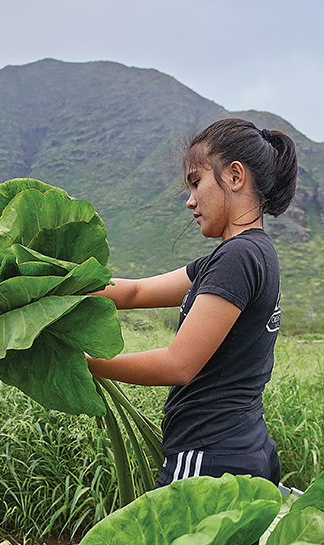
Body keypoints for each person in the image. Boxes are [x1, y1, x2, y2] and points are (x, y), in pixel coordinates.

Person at [88, 118, 298, 489]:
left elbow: (179, 364)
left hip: (210, 455)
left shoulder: (238, 257)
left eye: (196, 182)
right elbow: (134, 292)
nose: (190, 201)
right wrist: (55, 290)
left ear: (235, 176)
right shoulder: (247, 255)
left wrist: (89, 364)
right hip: (240, 448)